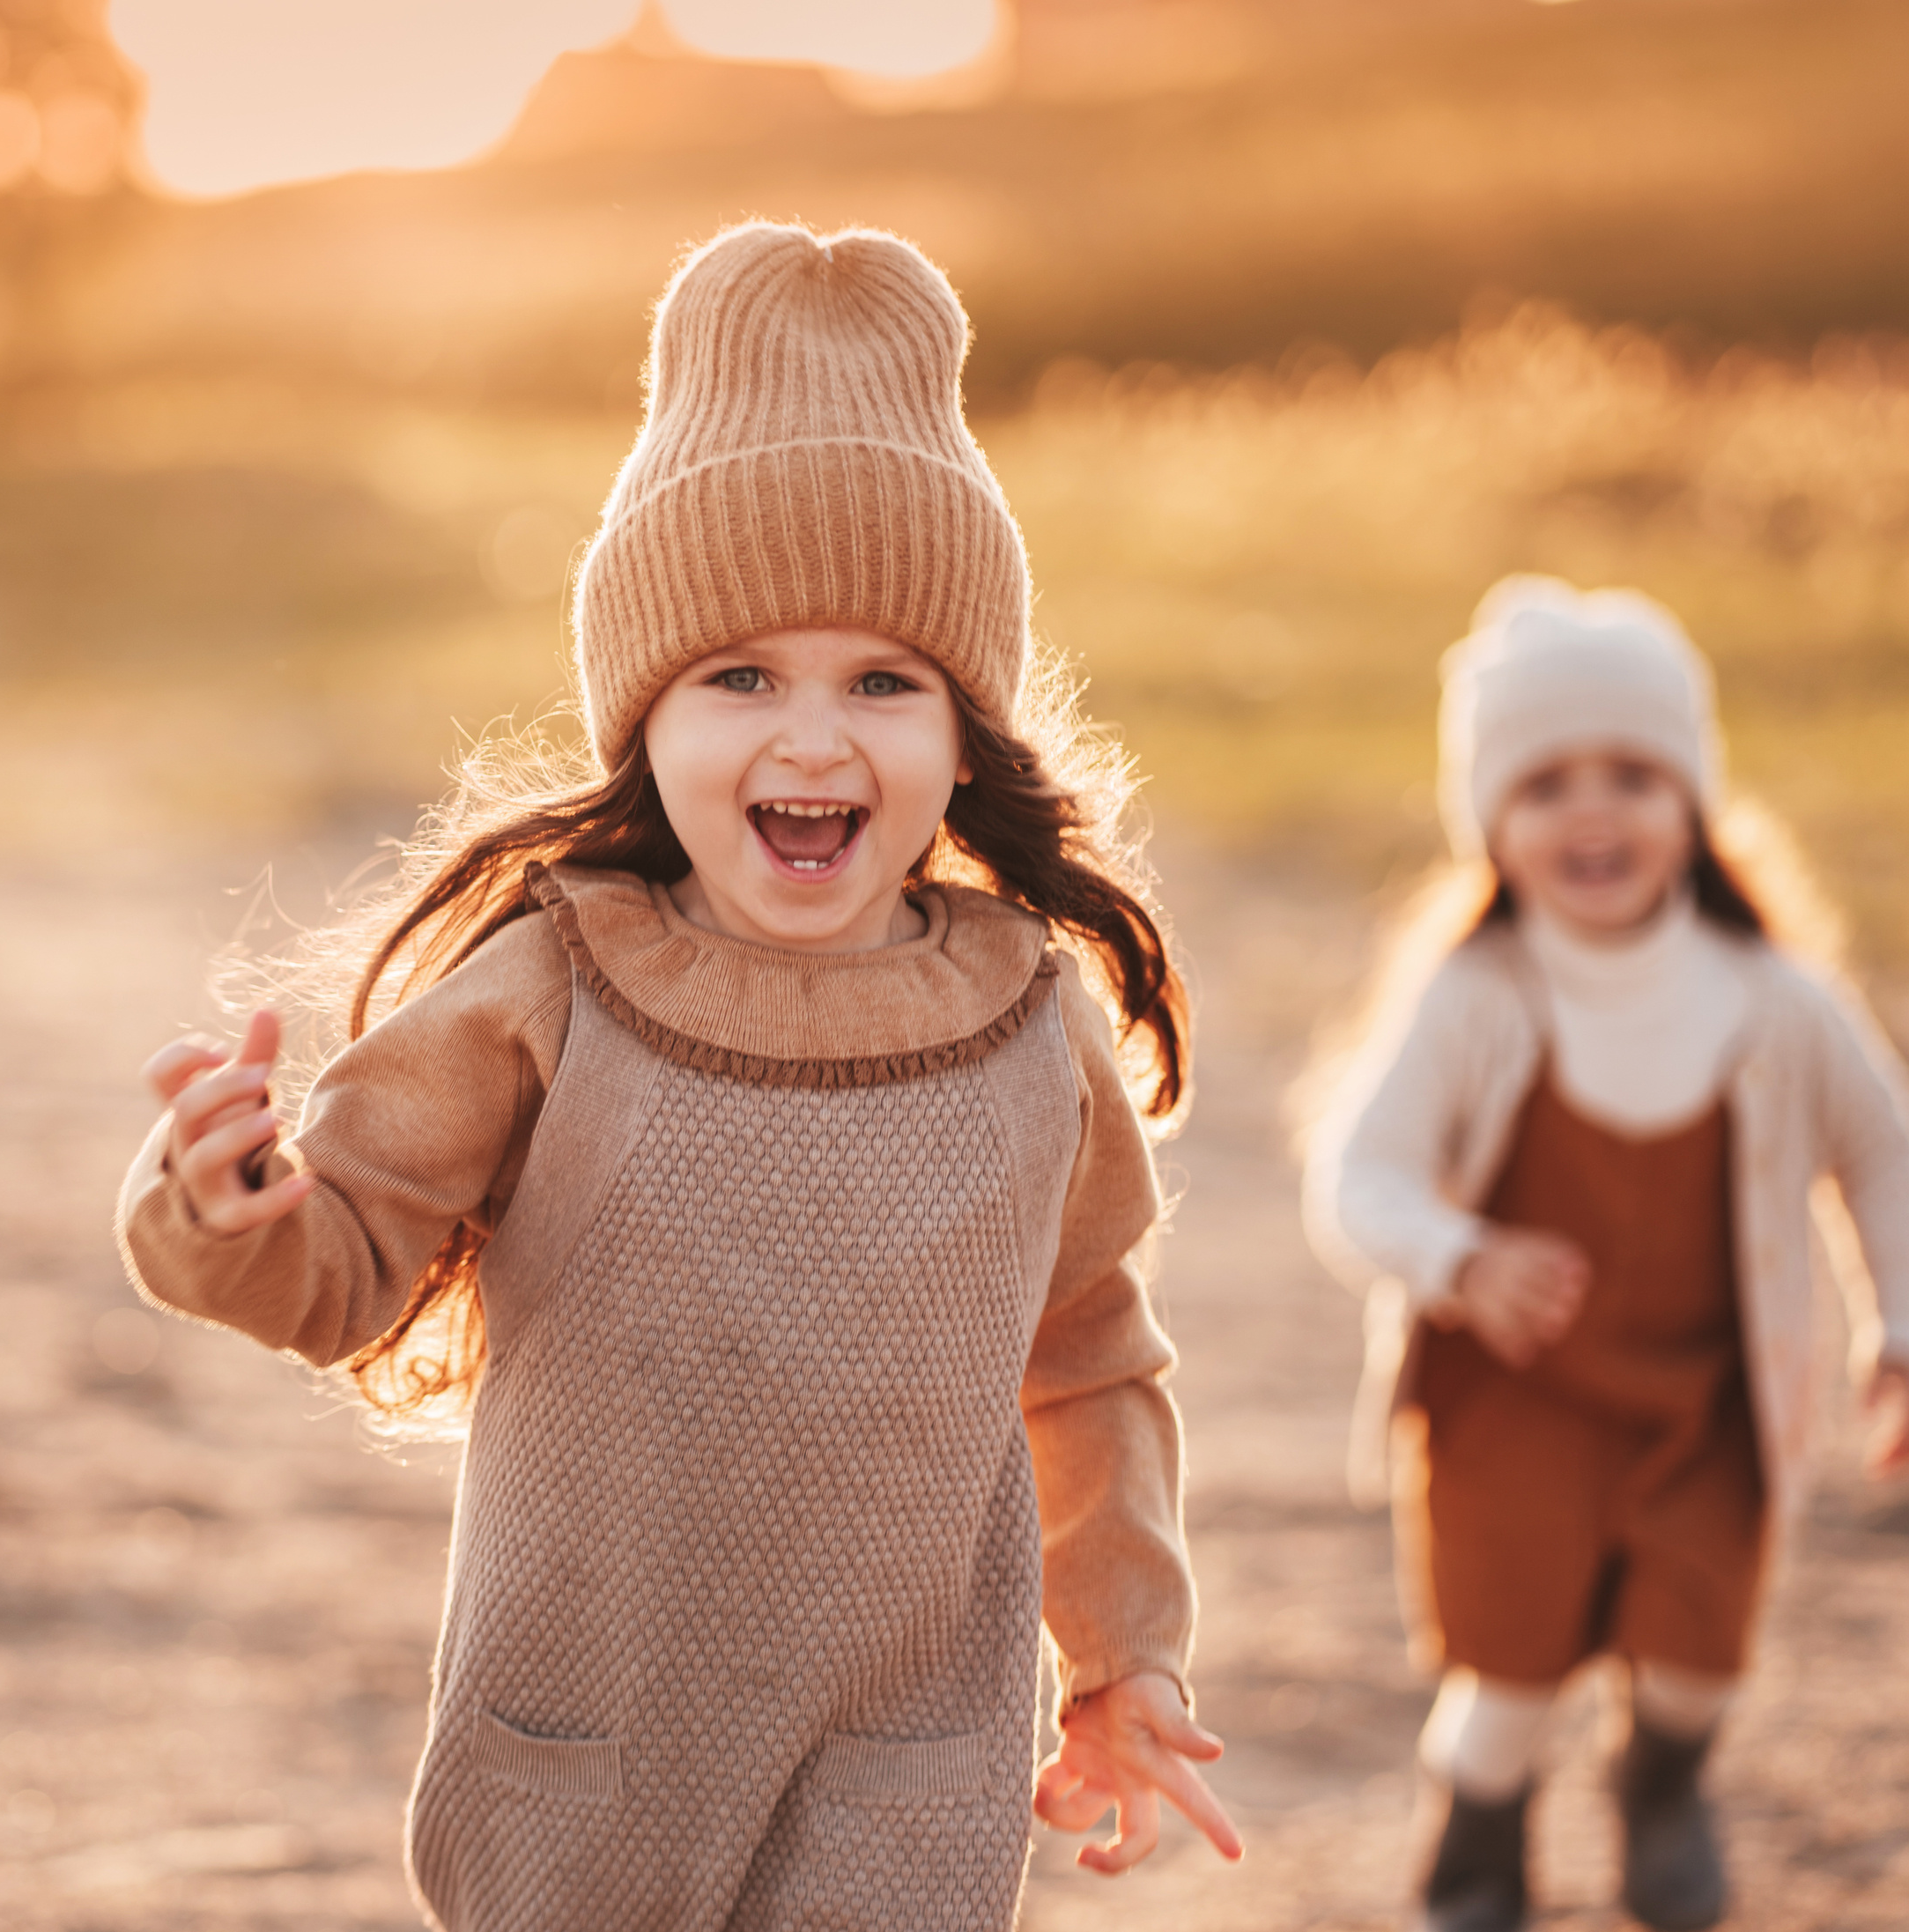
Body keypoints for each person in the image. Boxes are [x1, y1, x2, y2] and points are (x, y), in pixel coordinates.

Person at [118, 221, 1243, 1931]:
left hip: (904, 1762)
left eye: (883, 679)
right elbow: (338, 1267)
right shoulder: (553, 981)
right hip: (580, 1763)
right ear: (644, 715)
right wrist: (227, 1207)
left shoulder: (1028, 1019)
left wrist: (1121, 1656)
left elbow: (1088, 1358)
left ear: (964, 733)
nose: (810, 736)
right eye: (738, 676)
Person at [1302, 577, 1909, 1932]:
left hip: (1706, 1405)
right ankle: (1476, 1848)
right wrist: (1456, 1251)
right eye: (1543, 783)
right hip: (1516, 1411)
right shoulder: (1476, 994)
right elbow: (1355, 1173)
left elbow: (1883, 1154)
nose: (1591, 811)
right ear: (1489, 820)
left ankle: (1663, 1782)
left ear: (1693, 800)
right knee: (1509, 1691)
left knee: (1696, 1662)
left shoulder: (1776, 1002)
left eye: (1631, 774)